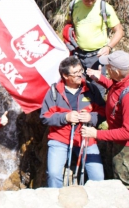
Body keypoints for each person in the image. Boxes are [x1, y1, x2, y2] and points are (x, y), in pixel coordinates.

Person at [82, 50, 129, 202]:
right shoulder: (125, 78)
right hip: (115, 139)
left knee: (125, 185)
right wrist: (101, 79)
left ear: (116, 71)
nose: (106, 69)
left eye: (108, 67)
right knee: (112, 181)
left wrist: (96, 134)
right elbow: (116, 90)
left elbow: (128, 132)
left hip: (126, 148)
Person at [40, 56, 105, 188]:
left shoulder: (91, 89)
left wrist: (91, 117)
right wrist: (65, 117)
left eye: (80, 71)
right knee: (53, 174)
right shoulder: (54, 92)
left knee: (98, 176)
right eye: (75, 73)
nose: (80, 75)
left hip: (87, 138)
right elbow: (44, 117)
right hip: (60, 139)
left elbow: (104, 112)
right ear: (65, 75)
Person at [67, 0, 124, 95]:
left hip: (97, 56)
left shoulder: (104, 7)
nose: (90, 2)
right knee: (77, 86)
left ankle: (98, 111)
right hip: (77, 54)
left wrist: (109, 47)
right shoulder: (74, 5)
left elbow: (119, 30)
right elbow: (68, 24)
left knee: (98, 88)